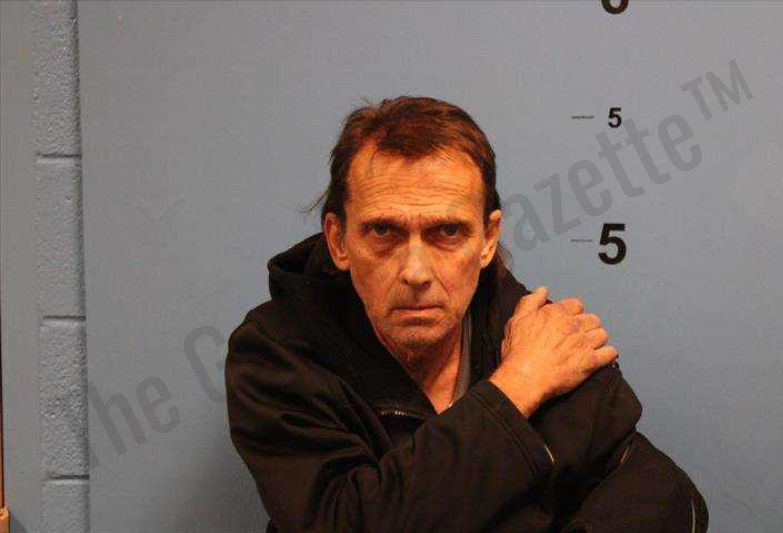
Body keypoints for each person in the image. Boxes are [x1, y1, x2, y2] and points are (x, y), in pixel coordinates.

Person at [225, 95, 708, 533]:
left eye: (448, 232)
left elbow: (668, 500)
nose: (416, 272)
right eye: (384, 232)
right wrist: (519, 384)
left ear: (487, 239)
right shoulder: (276, 353)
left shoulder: (542, 336)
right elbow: (344, 522)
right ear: (339, 241)